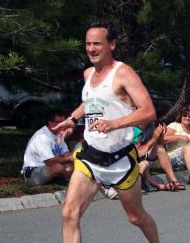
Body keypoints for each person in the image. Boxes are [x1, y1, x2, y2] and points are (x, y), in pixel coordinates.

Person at [54, 19, 159, 243]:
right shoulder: (88, 74)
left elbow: (149, 111)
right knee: (69, 214)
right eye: (88, 44)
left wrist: (114, 123)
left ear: (111, 44)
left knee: (135, 217)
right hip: (90, 157)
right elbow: (91, 101)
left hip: (120, 161)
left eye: (97, 44)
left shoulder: (123, 73)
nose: (91, 49)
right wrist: (72, 118)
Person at [21, 110, 73, 186]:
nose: (63, 125)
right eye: (59, 122)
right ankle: (69, 180)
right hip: (33, 172)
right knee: (58, 167)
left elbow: (66, 154)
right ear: (50, 123)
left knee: (73, 166)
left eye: (64, 122)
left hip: (50, 168)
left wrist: (73, 158)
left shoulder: (59, 134)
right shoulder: (42, 136)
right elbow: (49, 161)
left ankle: (64, 179)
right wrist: (70, 158)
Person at [135, 123, 186, 192]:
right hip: (135, 158)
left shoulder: (150, 126)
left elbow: (160, 144)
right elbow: (138, 153)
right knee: (144, 165)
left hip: (146, 156)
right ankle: (158, 186)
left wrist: (161, 135)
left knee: (160, 148)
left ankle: (174, 180)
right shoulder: (134, 129)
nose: (153, 115)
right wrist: (153, 138)